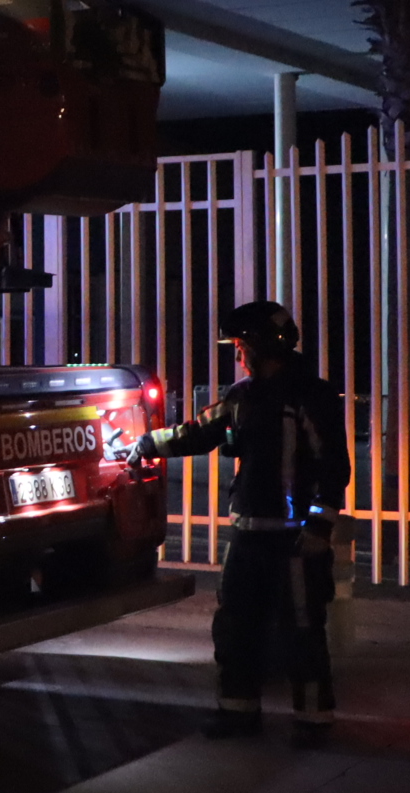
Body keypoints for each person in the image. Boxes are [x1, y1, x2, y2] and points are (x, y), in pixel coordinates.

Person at [135, 300, 351, 748]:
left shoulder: (311, 397)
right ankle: (237, 712)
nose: (237, 355)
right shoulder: (243, 396)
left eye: (240, 345)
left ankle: (314, 720)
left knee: (302, 630)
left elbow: (334, 468)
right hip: (249, 534)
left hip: (295, 540)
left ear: (263, 345)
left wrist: (318, 528)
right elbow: (198, 431)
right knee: (235, 627)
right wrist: (146, 444)